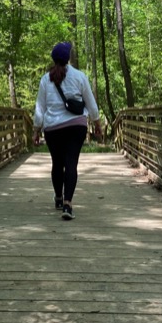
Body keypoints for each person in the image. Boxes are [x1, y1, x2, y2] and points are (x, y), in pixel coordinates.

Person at [33, 41, 103, 220]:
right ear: (69, 58)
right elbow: (91, 103)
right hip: (76, 126)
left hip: (53, 128)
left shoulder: (45, 79)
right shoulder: (79, 76)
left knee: (57, 163)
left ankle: (58, 197)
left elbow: (40, 109)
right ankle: (68, 204)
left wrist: (36, 130)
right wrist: (97, 124)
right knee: (71, 162)